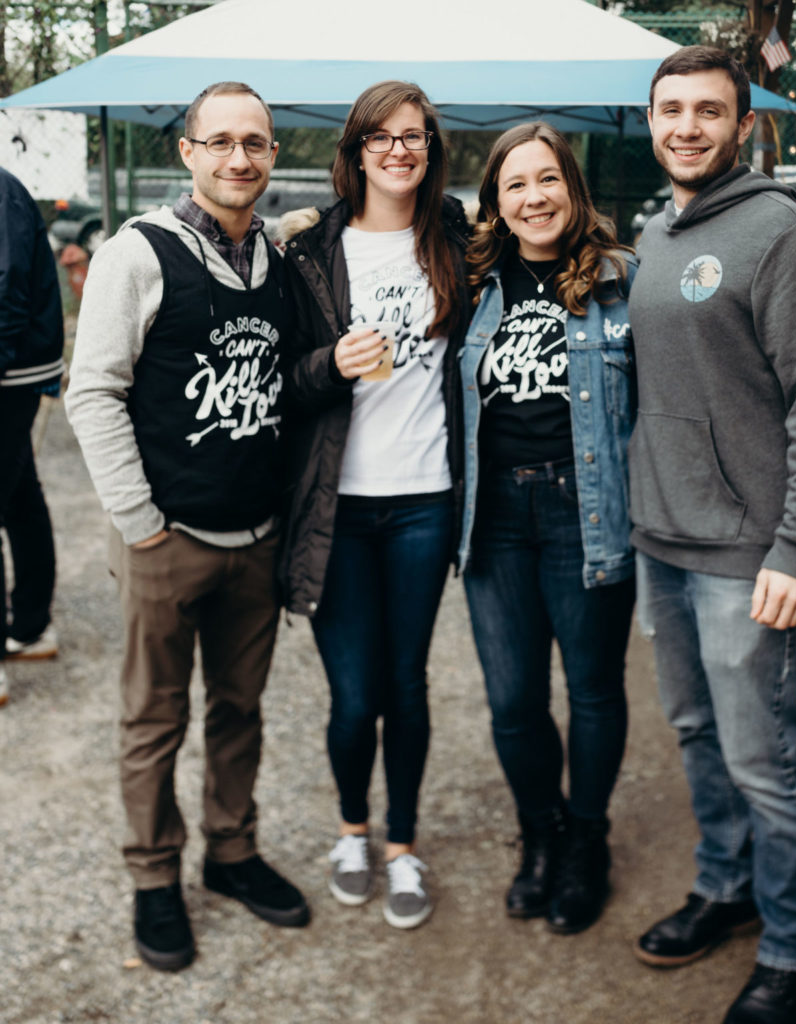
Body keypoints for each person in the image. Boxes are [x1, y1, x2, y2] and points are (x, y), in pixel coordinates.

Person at [629, 47, 796, 1024]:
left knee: (763, 754)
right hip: (662, 542)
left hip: (747, 555)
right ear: (649, 121)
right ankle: (724, 887)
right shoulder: (653, 230)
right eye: (669, 109)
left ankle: (793, 945)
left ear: (742, 124)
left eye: (705, 111)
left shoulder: (780, 235)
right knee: (694, 737)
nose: (685, 126)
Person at [65, 81, 309, 972]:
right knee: (153, 720)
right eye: (221, 142)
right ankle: (153, 877)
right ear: (188, 152)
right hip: (165, 541)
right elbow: (91, 391)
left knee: (239, 710)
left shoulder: (277, 260)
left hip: (254, 536)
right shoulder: (140, 253)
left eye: (256, 143)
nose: (239, 158)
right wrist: (139, 525)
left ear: (273, 155)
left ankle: (232, 852)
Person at [278, 80, 469, 929]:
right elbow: (279, 382)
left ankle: (402, 846)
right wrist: (331, 366)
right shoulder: (310, 251)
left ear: (430, 151)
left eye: (415, 137)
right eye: (381, 137)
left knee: (408, 683)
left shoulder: (459, 241)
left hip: (425, 501)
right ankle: (351, 832)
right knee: (355, 696)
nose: (399, 150)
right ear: (354, 152)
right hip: (339, 508)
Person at [457, 122, 637, 935]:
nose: (533, 198)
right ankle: (541, 834)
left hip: (585, 508)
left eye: (546, 180)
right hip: (492, 515)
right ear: (495, 201)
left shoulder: (620, 279)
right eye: (514, 185)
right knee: (512, 700)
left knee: (593, 689)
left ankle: (586, 844)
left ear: (571, 186)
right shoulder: (468, 282)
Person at [0, 165, 65, 708]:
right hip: (14, 370)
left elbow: (5, 290)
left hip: (9, 371)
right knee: (19, 495)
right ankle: (30, 626)